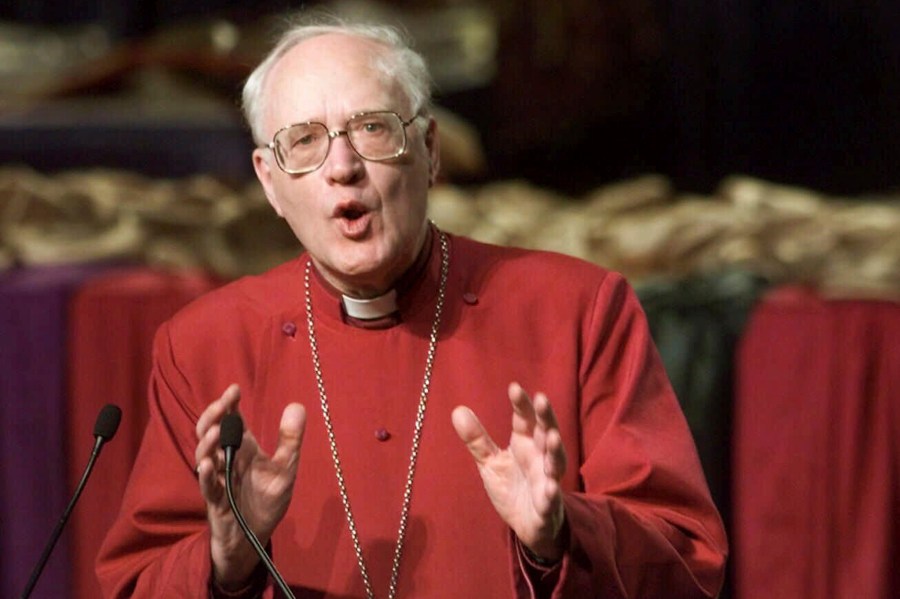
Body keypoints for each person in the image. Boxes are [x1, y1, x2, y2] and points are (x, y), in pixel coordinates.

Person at [96, 14, 727, 599]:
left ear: (429, 151)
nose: (342, 166)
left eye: (371, 127)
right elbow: (136, 582)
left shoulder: (581, 310)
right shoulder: (201, 345)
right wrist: (225, 562)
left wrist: (563, 534)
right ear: (269, 181)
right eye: (306, 141)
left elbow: (688, 563)